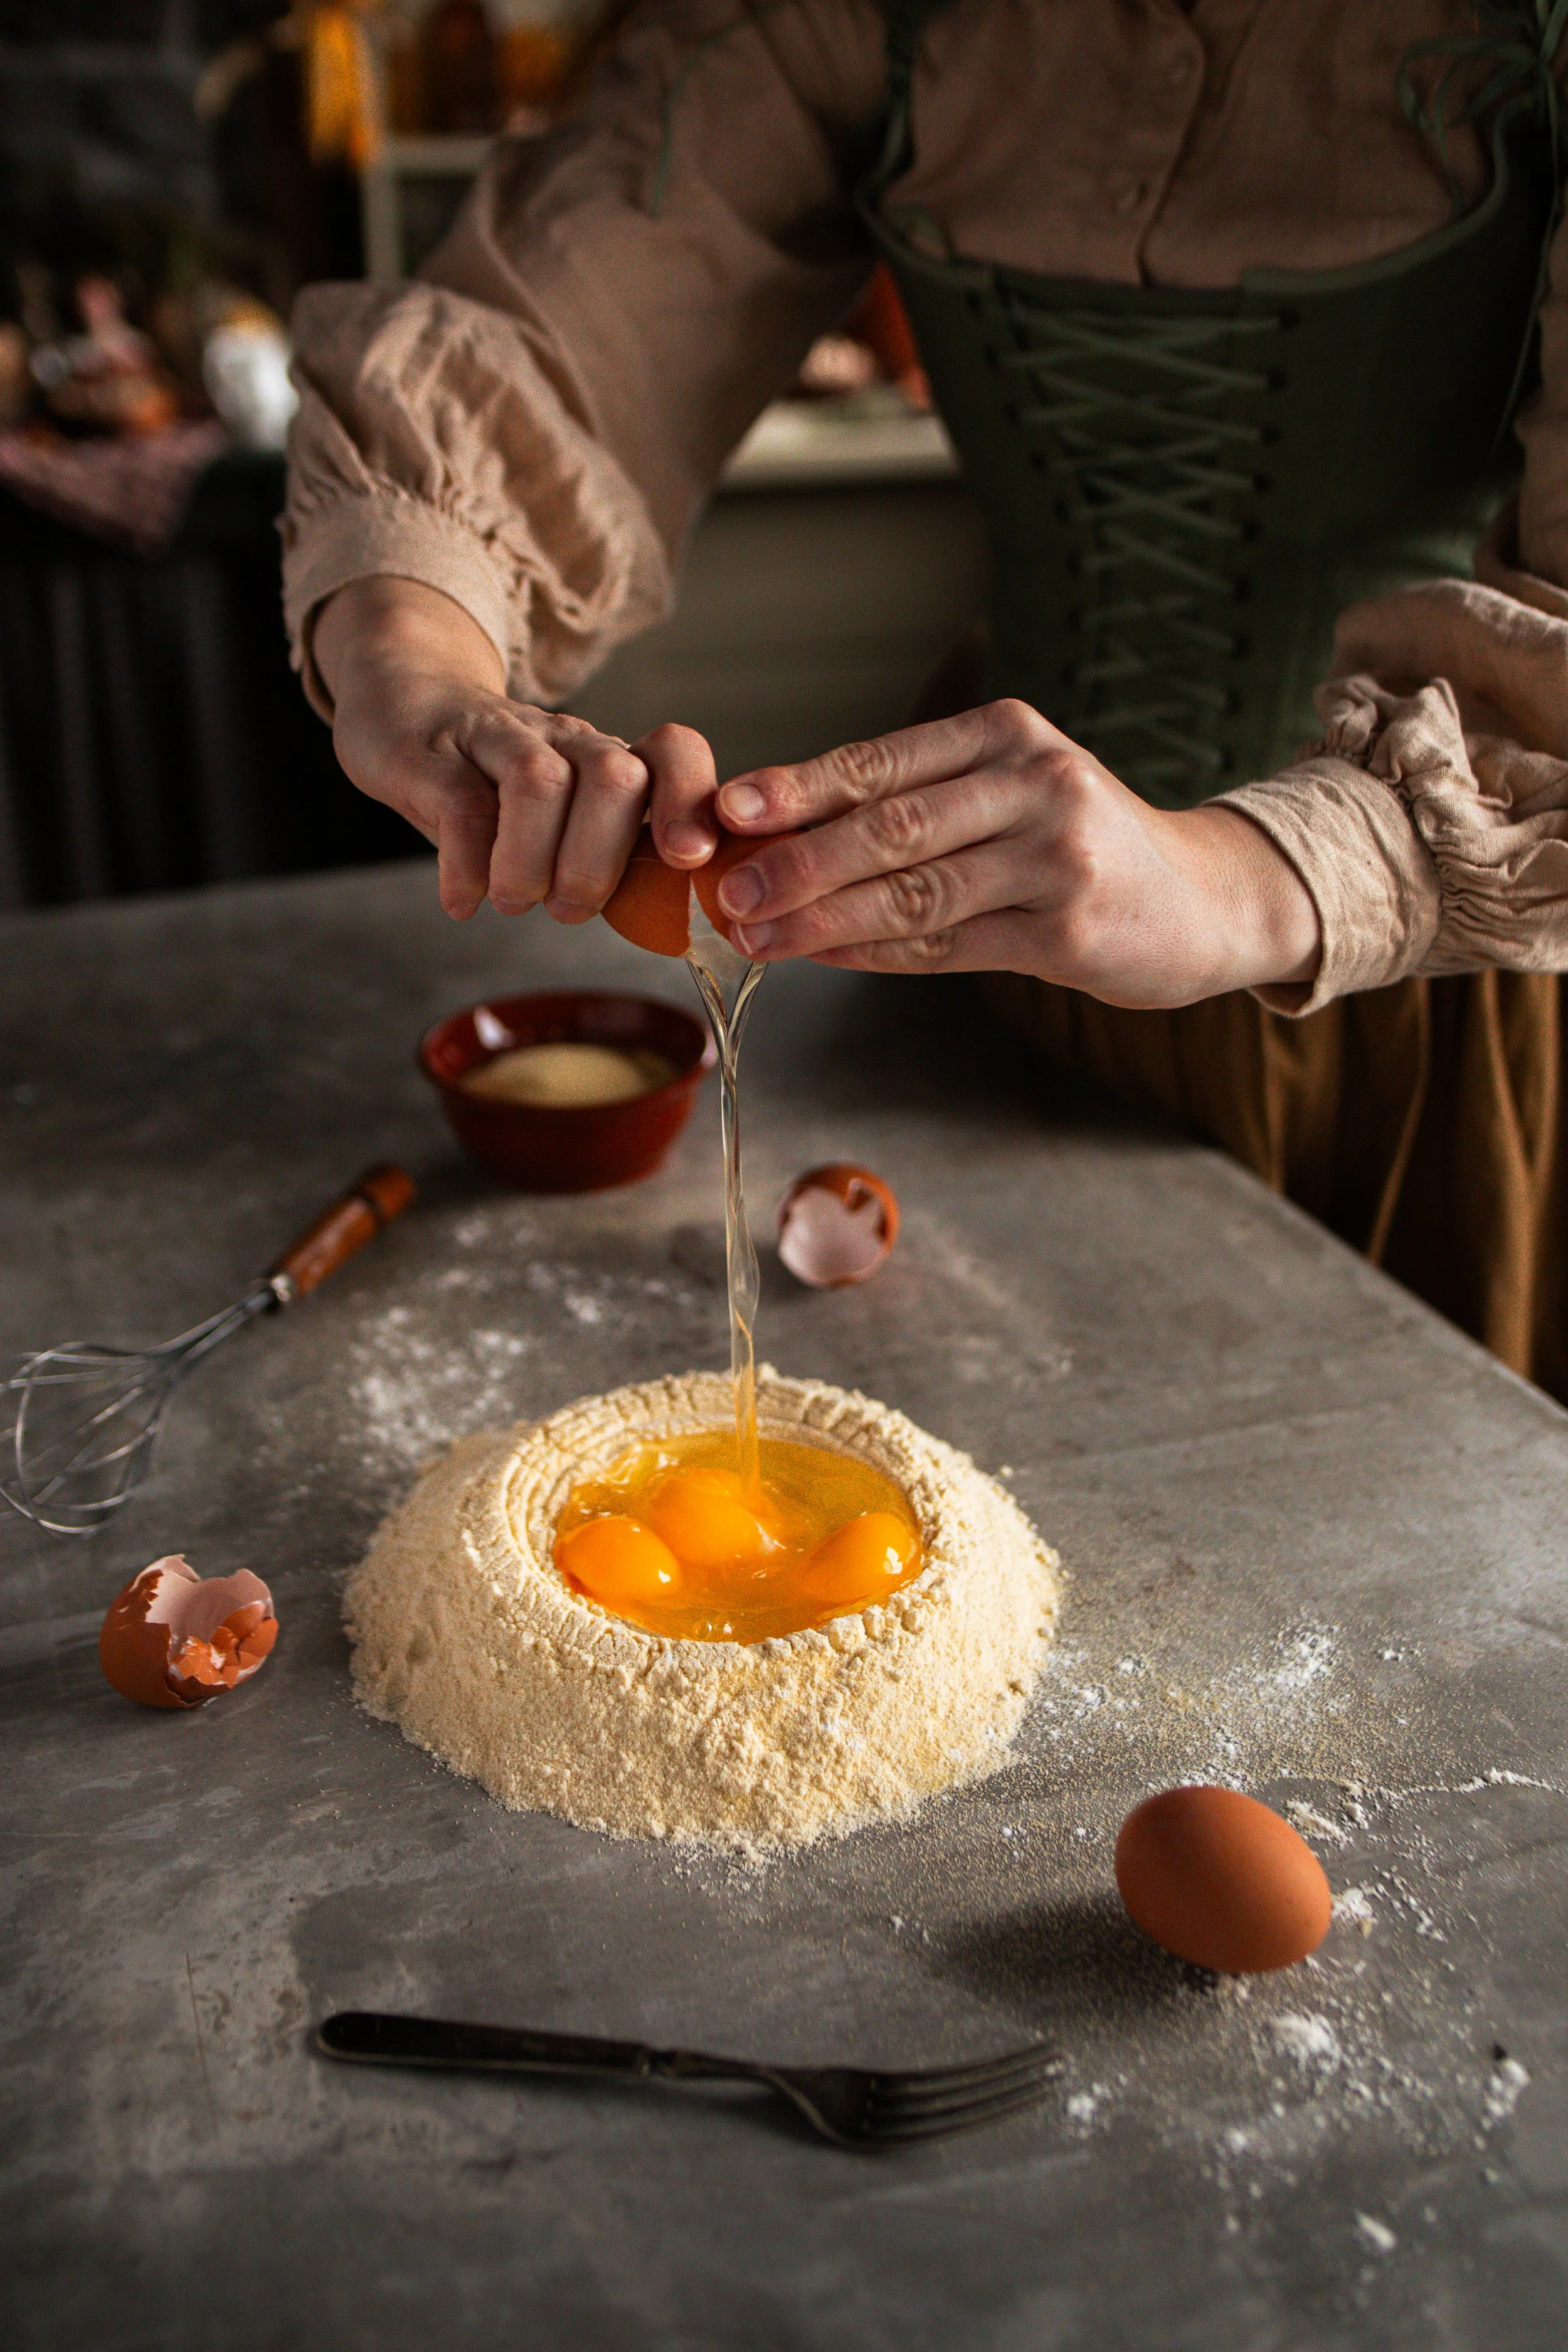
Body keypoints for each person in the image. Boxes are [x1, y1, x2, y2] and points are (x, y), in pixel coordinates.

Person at [285, 1, 1568, 1396]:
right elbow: (553, 326)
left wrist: (1225, 877)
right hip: (987, 975)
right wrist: (417, 663)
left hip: (1431, 998)